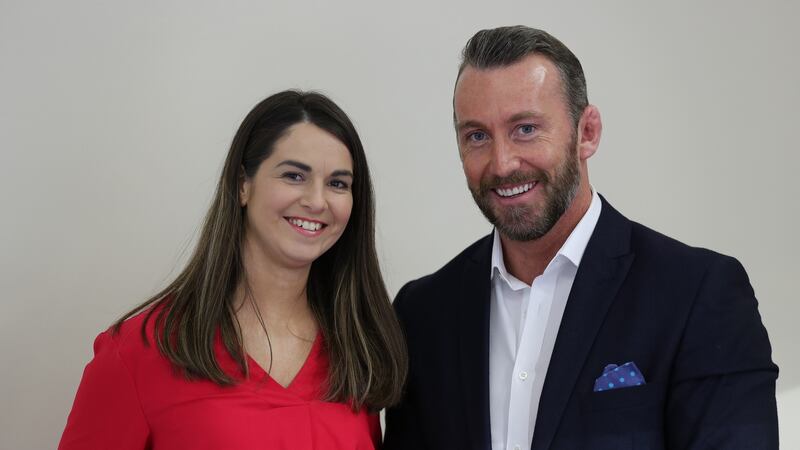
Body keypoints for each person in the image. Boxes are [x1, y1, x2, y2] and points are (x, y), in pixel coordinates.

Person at [383, 26, 778, 450]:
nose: (502, 163)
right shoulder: (422, 314)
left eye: (526, 128)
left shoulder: (698, 293)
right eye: (477, 136)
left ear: (587, 132)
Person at [59, 90, 407, 450]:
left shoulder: (358, 349)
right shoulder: (138, 351)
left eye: (338, 183)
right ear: (243, 184)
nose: (317, 201)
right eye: (293, 176)